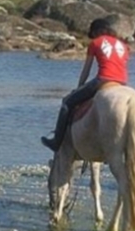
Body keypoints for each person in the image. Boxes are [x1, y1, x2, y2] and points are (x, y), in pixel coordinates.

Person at [41, 17, 129, 151]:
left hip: (103, 80)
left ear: (96, 32)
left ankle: (56, 142)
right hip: (122, 83)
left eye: (92, 34)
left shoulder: (95, 43)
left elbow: (86, 70)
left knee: (67, 103)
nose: (92, 36)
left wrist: (79, 87)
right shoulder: (123, 46)